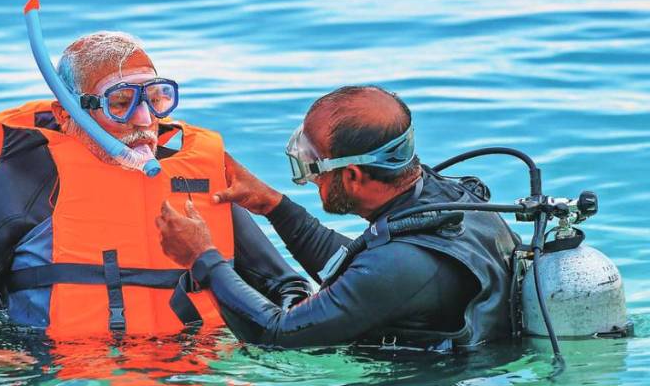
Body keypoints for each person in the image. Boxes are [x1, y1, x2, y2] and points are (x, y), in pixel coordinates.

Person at [0, 31, 307, 336]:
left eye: (156, 98)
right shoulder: (18, 187)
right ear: (67, 114)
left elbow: (289, 288)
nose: (144, 119)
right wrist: (10, 374)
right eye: (120, 103)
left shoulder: (196, 179)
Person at [156, 85, 518, 352]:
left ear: (353, 176)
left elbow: (276, 335)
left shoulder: (398, 265)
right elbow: (357, 270)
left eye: (312, 167)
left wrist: (201, 258)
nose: (310, 179)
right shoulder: (447, 199)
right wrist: (272, 205)